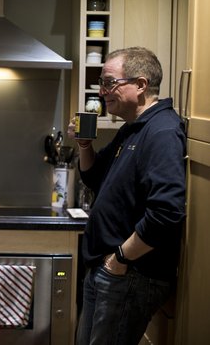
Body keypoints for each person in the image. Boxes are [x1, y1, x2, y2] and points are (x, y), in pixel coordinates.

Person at [67, 47, 186, 345]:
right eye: (101, 84)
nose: (103, 91)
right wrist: (84, 145)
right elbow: (93, 177)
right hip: (109, 270)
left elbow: (167, 212)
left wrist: (119, 258)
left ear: (141, 85)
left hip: (129, 274)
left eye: (109, 83)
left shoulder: (162, 132)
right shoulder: (131, 129)